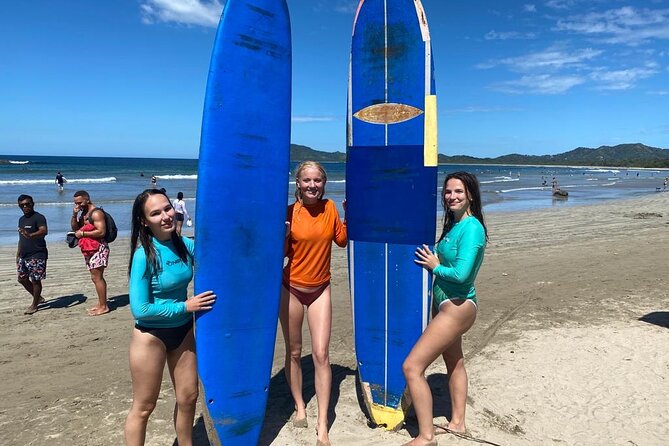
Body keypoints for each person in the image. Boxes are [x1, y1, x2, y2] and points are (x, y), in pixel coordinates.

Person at [124, 189, 215, 446]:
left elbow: (215, 255)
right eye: (156, 213)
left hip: (183, 332)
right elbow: (140, 309)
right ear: (144, 221)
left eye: (166, 209)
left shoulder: (183, 244)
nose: (165, 216)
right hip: (150, 337)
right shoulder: (144, 255)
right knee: (144, 407)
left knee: (188, 398)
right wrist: (185, 306)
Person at [402, 171, 488, 446]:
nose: (452, 196)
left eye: (458, 192)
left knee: (412, 367)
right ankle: (458, 423)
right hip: (446, 305)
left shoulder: (472, 227)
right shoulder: (454, 224)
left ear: (470, 195)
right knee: (455, 362)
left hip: (457, 307)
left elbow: (462, 274)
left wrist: (434, 267)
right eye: (448, 192)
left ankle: (426, 437)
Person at [281, 161, 347, 446]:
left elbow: (342, 241)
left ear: (324, 182)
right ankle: (299, 405)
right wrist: (281, 236)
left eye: (317, 180)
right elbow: (280, 255)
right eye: (307, 180)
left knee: (321, 354)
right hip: (291, 288)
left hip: (320, 289)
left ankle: (322, 425)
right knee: (294, 351)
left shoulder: (330, 208)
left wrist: (350, 214)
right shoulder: (288, 213)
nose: (312, 185)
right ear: (298, 183)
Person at [71, 190, 110, 316]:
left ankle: (104, 306)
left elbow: (101, 232)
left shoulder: (96, 213)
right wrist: (74, 215)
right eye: (76, 203)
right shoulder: (83, 213)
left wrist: (82, 234)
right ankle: (101, 303)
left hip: (99, 247)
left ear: (87, 199)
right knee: (94, 277)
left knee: (97, 277)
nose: (78, 205)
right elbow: (75, 228)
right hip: (89, 249)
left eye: (80, 202)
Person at [16, 195, 48, 315]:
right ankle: (38, 298)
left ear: (32, 204)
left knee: (35, 280)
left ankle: (34, 305)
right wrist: (18, 253)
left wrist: (31, 235)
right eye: (22, 205)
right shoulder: (21, 219)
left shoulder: (39, 217)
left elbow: (44, 230)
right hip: (23, 255)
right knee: (22, 279)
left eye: (27, 204)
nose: (25, 207)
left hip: (37, 254)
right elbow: (21, 238)